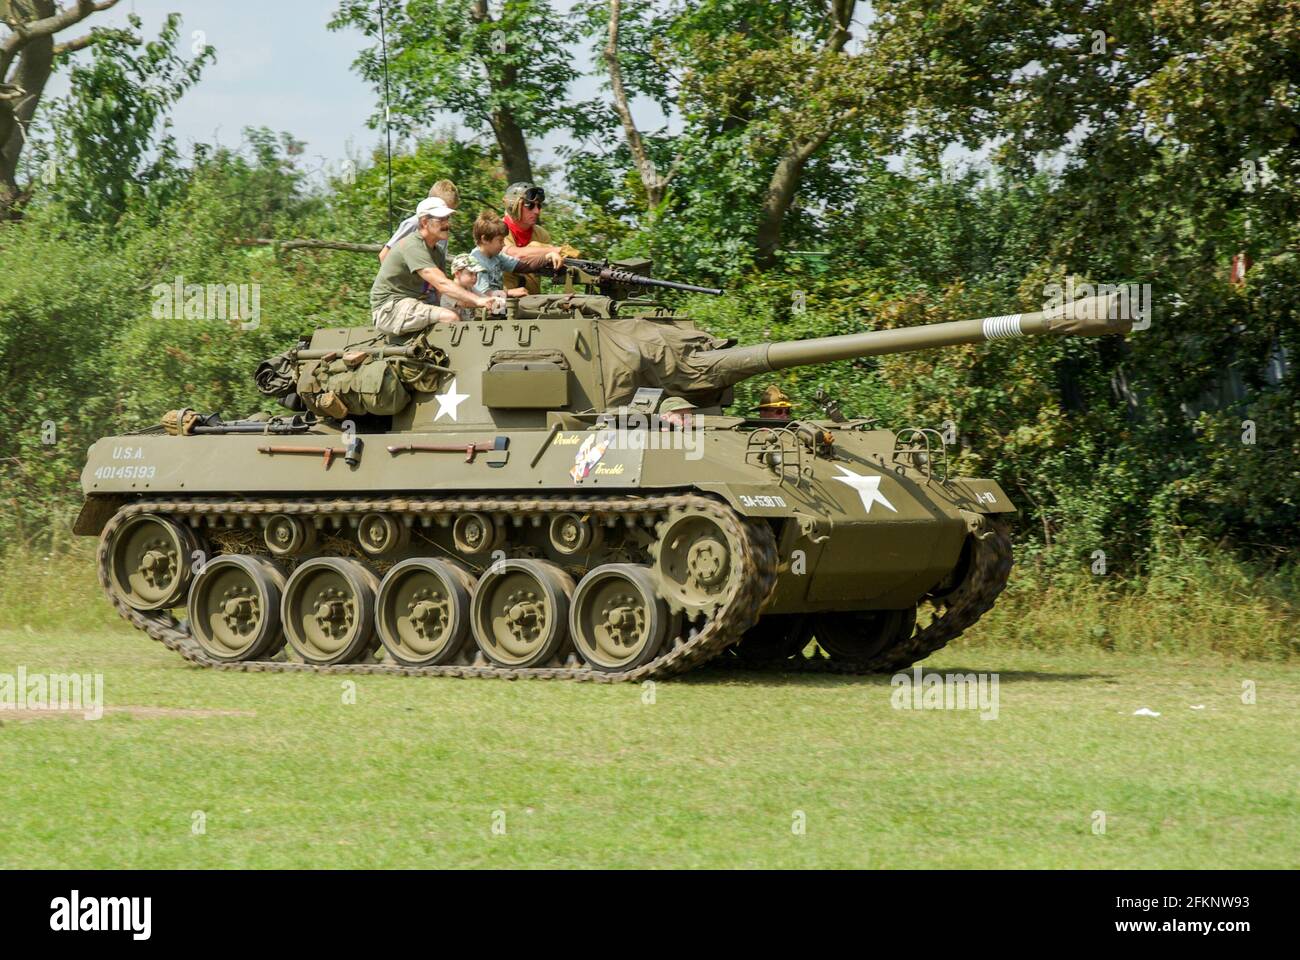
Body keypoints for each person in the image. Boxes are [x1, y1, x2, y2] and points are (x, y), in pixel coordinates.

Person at [369, 197, 499, 338]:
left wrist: (485, 303)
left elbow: (441, 293)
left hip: (412, 304)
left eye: (447, 219)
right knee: (450, 318)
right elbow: (442, 284)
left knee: (459, 316)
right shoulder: (412, 245)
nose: (446, 224)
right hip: (390, 309)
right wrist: (478, 300)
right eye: (441, 220)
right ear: (425, 222)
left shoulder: (437, 252)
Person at [471, 210, 562, 296]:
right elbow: (484, 294)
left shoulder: (496, 256)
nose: (503, 244)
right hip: (480, 311)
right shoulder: (476, 262)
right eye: (500, 240)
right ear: (485, 239)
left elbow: (521, 265)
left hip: (495, 307)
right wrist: (509, 292)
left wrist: (546, 258)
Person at [501, 181, 567, 293]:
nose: (537, 211)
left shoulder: (541, 234)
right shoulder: (496, 230)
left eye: (539, 206)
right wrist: (556, 250)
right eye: (530, 205)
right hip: (501, 303)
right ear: (514, 206)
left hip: (531, 302)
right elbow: (514, 256)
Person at [378, 180, 460, 263]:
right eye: (442, 214)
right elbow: (384, 255)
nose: (446, 221)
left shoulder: (443, 231)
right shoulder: (413, 224)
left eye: (448, 215)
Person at [441, 253, 486, 322]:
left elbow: (483, 297)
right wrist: (484, 302)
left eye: (476, 274)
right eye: (471, 273)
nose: (475, 278)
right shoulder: (450, 291)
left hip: (466, 326)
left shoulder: (469, 288)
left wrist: (494, 300)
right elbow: (465, 303)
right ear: (457, 274)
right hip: (452, 328)